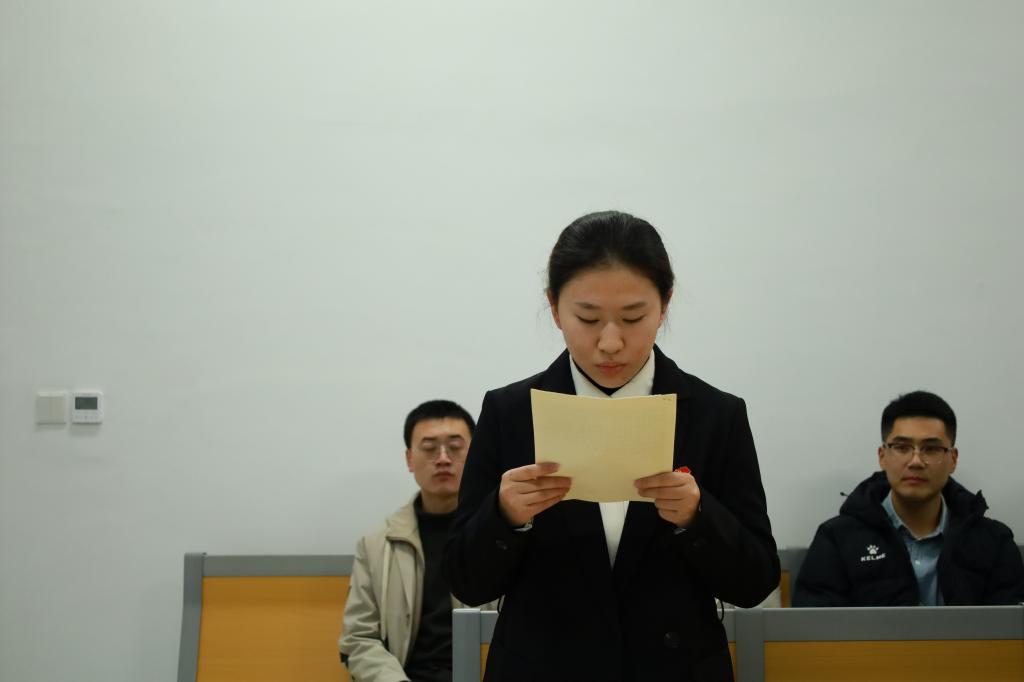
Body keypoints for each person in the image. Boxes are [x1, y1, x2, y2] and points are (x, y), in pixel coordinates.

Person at [444, 211, 779, 682]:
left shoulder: (715, 414)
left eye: (633, 317)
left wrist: (698, 517)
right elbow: (466, 582)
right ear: (554, 308)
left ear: (665, 305)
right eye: (587, 318)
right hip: (545, 668)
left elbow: (755, 582)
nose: (610, 342)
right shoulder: (509, 412)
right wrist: (504, 517)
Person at [793, 390, 1024, 607]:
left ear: (953, 459)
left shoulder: (995, 542)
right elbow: (815, 628)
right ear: (882, 456)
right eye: (902, 448)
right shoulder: (836, 539)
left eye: (931, 449)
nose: (916, 461)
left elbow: (1010, 628)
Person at [339, 400, 499, 682]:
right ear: (410, 459)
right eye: (429, 448)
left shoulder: (504, 530)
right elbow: (359, 638)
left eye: (455, 447)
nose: (443, 458)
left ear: (475, 454)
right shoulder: (377, 543)